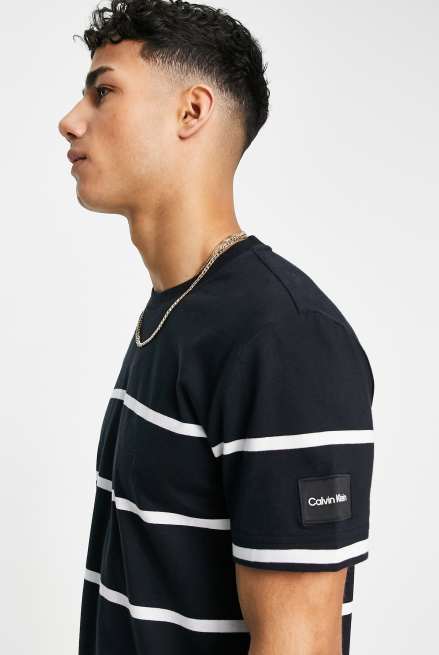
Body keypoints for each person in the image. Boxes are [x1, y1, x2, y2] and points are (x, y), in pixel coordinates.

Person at [57, 1, 375, 653]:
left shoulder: (282, 339)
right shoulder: (176, 310)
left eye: (103, 91)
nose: (70, 120)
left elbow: (299, 644)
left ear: (191, 112)